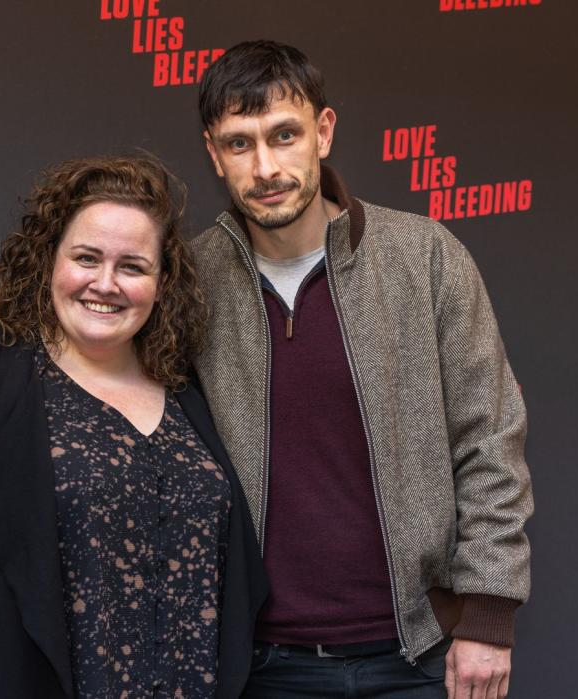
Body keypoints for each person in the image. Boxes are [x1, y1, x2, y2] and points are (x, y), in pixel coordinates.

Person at [0, 155, 268, 699]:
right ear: (48, 261)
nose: (105, 284)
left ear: (162, 283)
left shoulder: (185, 389)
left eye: (133, 266)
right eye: (86, 258)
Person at [189, 41, 533, 699]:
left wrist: (488, 614)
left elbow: (489, 440)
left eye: (283, 135)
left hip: (419, 657)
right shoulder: (192, 282)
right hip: (261, 666)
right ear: (214, 154)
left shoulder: (425, 256)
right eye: (240, 144)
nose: (265, 166)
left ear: (322, 132)